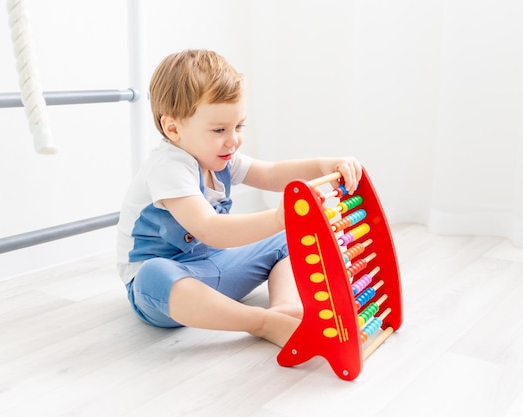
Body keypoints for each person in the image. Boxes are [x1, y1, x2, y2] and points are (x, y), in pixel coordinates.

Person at [116, 49, 362, 348]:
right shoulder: (168, 168)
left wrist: (322, 165)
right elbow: (208, 229)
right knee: (154, 274)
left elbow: (271, 174)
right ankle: (259, 322)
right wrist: (276, 217)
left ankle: (284, 307)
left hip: (213, 267)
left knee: (289, 236)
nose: (233, 139)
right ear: (173, 128)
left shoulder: (221, 156)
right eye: (219, 129)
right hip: (168, 290)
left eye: (239, 126)